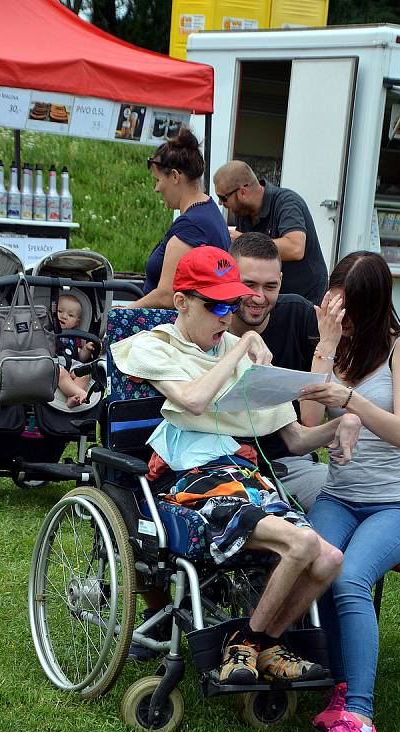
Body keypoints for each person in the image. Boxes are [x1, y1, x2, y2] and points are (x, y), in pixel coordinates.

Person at [111, 245, 361, 683]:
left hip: (241, 473)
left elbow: (296, 438)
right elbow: (192, 400)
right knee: (301, 546)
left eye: (231, 303)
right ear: (182, 302)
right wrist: (239, 346)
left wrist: (341, 426)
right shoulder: (152, 345)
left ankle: (252, 644)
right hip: (189, 479)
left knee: (329, 559)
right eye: (217, 305)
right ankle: (250, 644)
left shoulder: (240, 348)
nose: (227, 316)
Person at [298, 250, 400, 732]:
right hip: (340, 496)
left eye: (349, 314)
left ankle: (360, 721)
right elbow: (308, 427)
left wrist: (350, 400)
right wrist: (325, 348)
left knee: (351, 577)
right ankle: (342, 687)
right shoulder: (336, 345)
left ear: (374, 309)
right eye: (336, 310)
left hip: (397, 506)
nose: (342, 321)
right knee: (317, 562)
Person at [229, 232, 327, 511]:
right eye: (249, 285)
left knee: (344, 495)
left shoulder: (300, 315)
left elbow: (310, 422)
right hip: (226, 464)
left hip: (290, 462)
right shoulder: (211, 323)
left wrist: (327, 346)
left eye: (270, 286)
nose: (259, 297)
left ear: (281, 282)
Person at [129, 128, 230, 309]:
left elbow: (167, 296)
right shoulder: (209, 211)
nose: (156, 188)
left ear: (175, 176)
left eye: (158, 180)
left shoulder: (191, 226)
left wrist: (123, 313)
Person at [213, 160, 327, 303]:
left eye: (223, 198)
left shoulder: (287, 202)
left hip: (305, 297)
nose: (220, 203)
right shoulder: (243, 212)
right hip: (270, 295)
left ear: (243, 192)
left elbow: (295, 248)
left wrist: (244, 240)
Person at [56, 294, 95, 408]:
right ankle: (79, 392)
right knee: (61, 372)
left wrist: (86, 349)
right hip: (57, 363)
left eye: (70, 315)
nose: (63, 316)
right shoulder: (50, 332)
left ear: (77, 322)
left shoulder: (76, 337)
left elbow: (81, 357)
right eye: (59, 311)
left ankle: (73, 398)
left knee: (86, 373)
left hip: (73, 364)